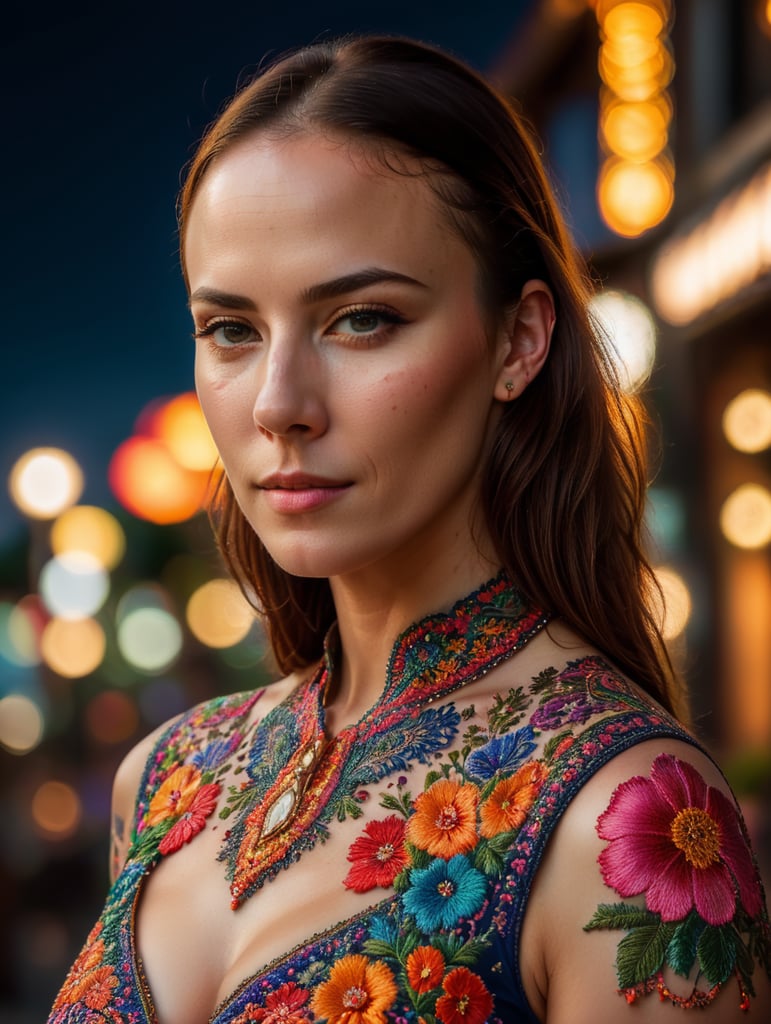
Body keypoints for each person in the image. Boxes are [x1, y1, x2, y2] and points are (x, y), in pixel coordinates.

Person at [48, 35, 769, 1024]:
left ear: (518, 340)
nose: (278, 404)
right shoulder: (167, 778)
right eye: (231, 330)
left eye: (363, 319)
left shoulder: (631, 821)